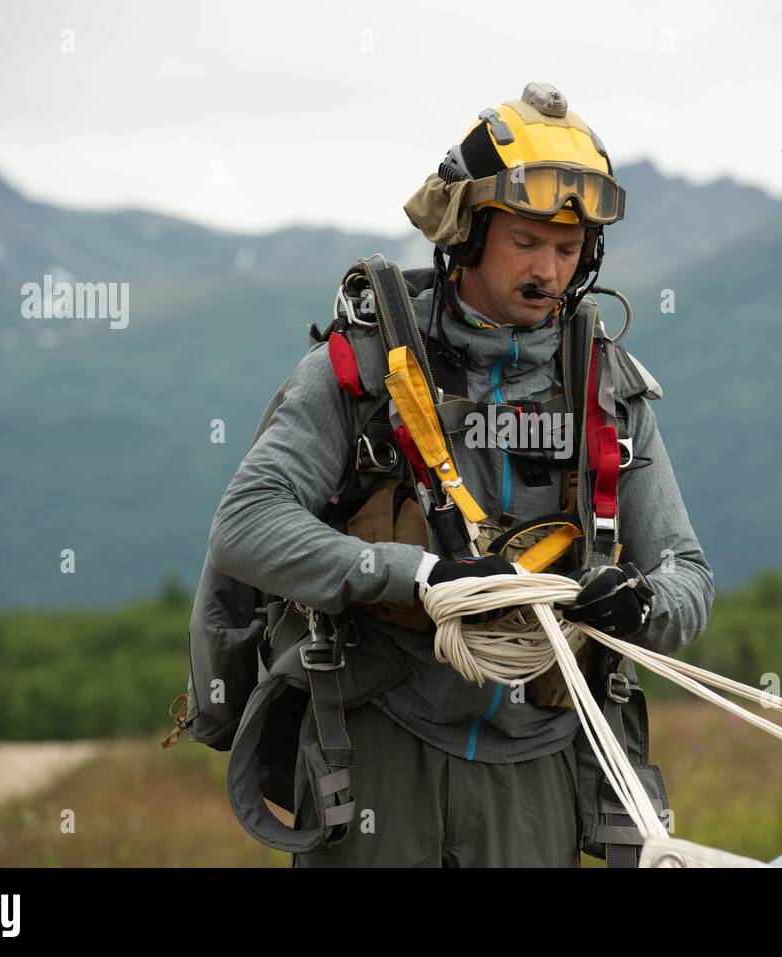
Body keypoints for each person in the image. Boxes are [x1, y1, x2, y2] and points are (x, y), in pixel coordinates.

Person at [206, 82, 713, 867]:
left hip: (540, 767)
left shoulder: (606, 388)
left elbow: (688, 575)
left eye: (570, 247)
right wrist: (420, 574)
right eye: (527, 242)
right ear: (466, 232)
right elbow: (245, 524)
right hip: (377, 747)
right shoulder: (362, 367)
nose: (550, 271)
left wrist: (638, 603)